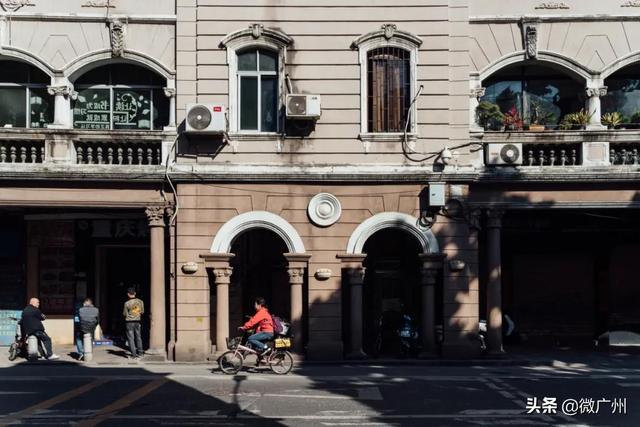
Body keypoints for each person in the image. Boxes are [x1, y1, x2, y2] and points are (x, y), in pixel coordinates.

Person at [123, 287, 144, 359]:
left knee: (131, 338)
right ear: (135, 293)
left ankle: (134, 355)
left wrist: (130, 313)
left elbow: (125, 313)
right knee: (138, 337)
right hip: (137, 321)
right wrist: (136, 312)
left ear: (128, 294)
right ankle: (141, 353)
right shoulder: (140, 302)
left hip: (129, 322)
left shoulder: (126, 303)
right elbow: (142, 311)